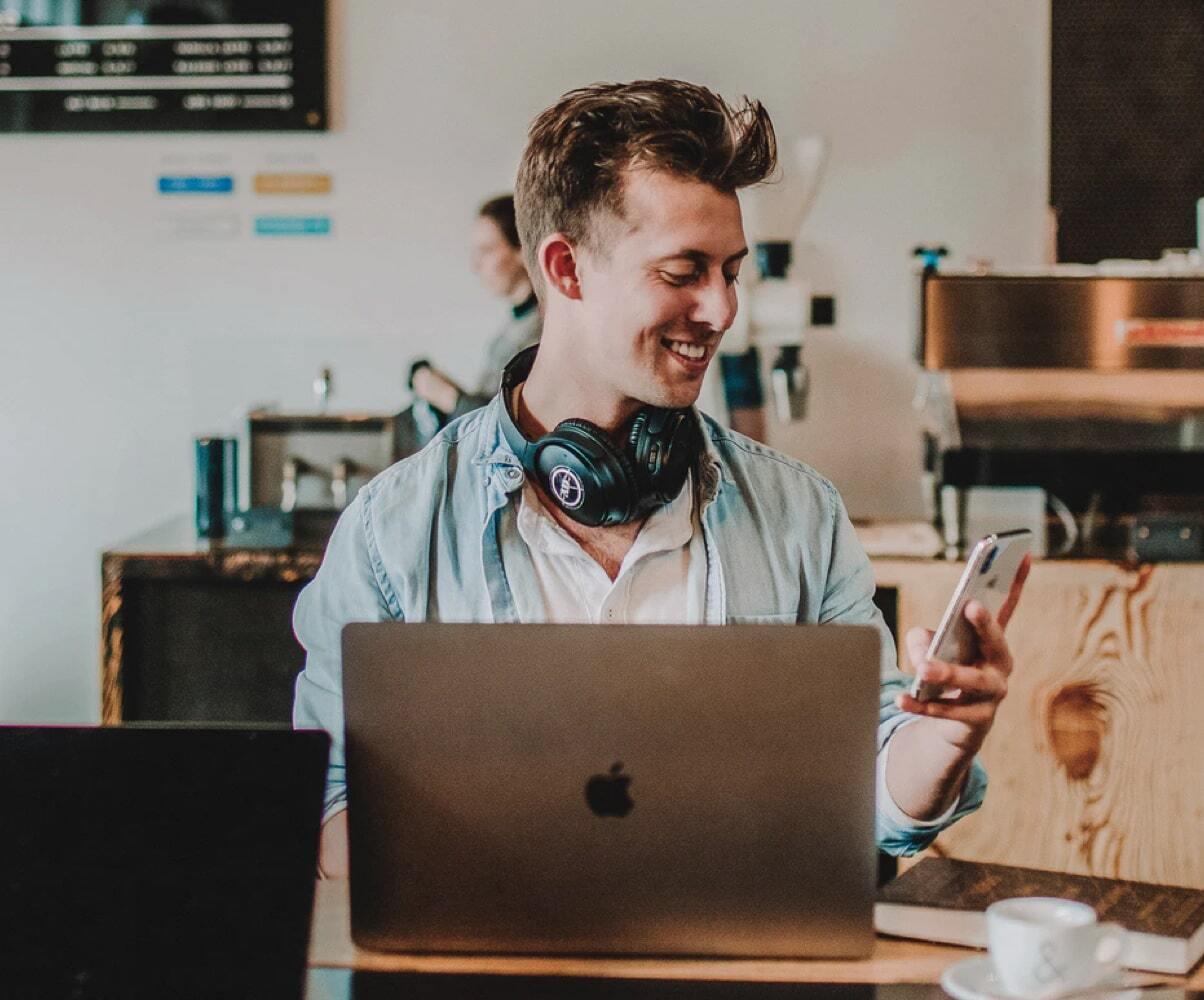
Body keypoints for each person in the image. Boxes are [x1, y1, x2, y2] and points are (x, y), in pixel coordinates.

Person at [293, 78, 1028, 879]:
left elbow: (872, 790)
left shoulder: (801, 513)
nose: (721, 310)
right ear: (566, 269)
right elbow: (325, 807)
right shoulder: (391, 533)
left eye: (731, 271)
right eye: (684, 272)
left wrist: (943, 738)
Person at [411, 194, 541, 420]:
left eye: (486, 250)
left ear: (521, 250)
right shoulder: (514, 326)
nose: (475, 265)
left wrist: (446, 396)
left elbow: (508, 425)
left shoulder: (543, 331)